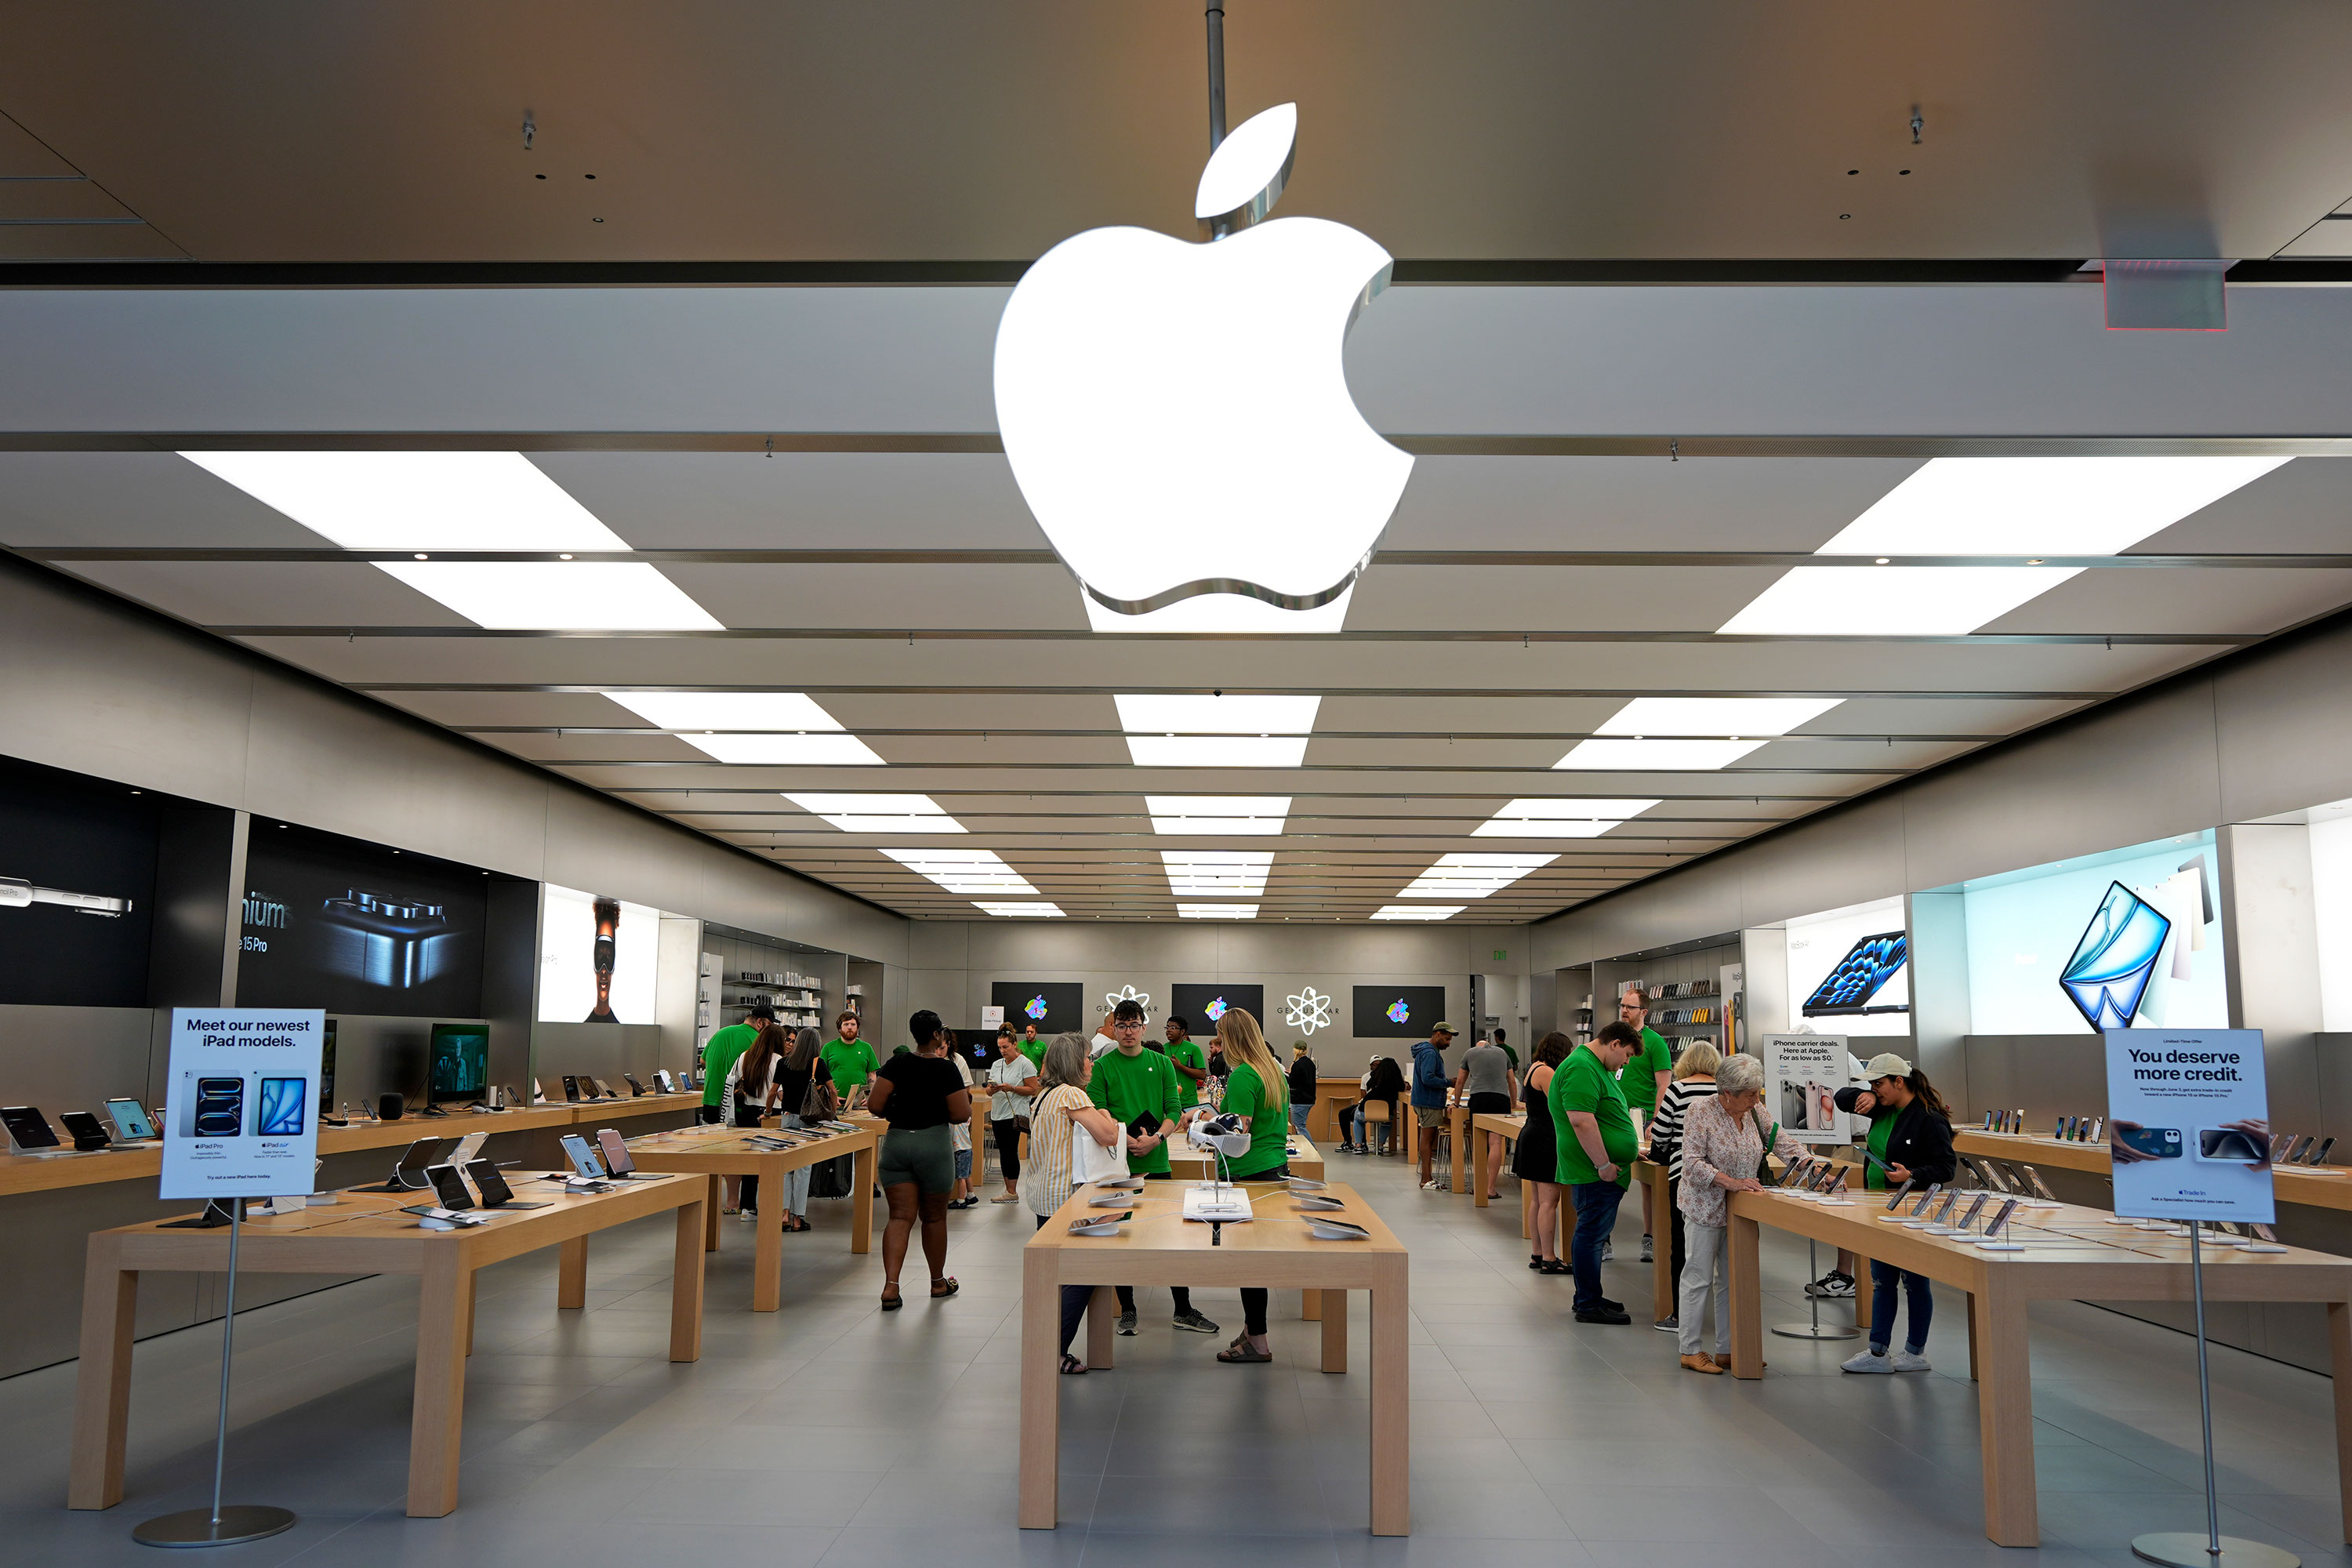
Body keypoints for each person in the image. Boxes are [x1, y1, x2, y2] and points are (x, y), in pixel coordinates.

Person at [1091, 998, 1218, 1336]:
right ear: (1113, 1029)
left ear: (1143, 1028)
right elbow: (1098, 1110)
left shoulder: (1162, 1063)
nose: (1128, 1032)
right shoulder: (1104, 1067)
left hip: (1157, 1160)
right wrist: (1122, 1137)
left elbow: (1174, 1110)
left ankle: (1183, 1309)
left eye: (1134, 1026)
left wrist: (1156, 1139)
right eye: (1122, 1026)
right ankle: (1128, 1310)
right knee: (1121, 1234)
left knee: (1170, 1235)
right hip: (1117, 1164)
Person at [1836, 1053, 1955, 1374]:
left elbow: (1946, 1166)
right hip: (1878, 1207)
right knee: (1882, 1281)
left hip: (1912, 1209)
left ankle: (1915, 1352)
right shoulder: (1883, 1106)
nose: (1876, 1090)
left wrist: (1911, 1174)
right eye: (1872, 1085)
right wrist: (1866, 1094)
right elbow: (1841, 1097)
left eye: (1879, 1084)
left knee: (1915, 1281)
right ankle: (1877, 1351)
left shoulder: (1929, 1118)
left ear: (1899, 1082)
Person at [1021, 1032, 1127, 1374]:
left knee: (1059, 1276)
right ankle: (1054, 1349)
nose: (1091, 1062)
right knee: (1082, 1274)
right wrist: (1108, 1114)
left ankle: (1050, 1345)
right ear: (1073, 1062)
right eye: (1087, 1057)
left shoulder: (1044, 1095)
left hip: (1044, 1195)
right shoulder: (1071, 1094)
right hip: (1067, 1199)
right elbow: (1109, 1135)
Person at [865, 1010, 971, 1309]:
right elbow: (962, 1114)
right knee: (934, 1217)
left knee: (899, 1217)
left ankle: (890, 1287)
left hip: (897, 1143)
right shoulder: (946, 1069)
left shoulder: (897, 1063)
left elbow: (875, 1104)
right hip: (933, 1146)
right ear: (937, 1035)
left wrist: (898, 1111)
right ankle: (938, 1282)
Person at [1207, 1008, 1295, 1363]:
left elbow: (1238, 1131)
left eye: (1221, 1036)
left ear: (1232, 1038)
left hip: (1246, 1174)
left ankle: (1257, 1340)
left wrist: (1205, 1127)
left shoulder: (1244, 1074)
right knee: (1258, 1256)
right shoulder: (1274, 1070)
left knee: (1249, 1261)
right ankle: (1252, 1329)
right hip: (1274, 1169)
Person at [1675, 1051, 1768, 1373]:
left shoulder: (1756, 1109)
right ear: (1726, 1093)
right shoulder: (1700, 1112)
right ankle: (1690, 1349)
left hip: (1741, 1210)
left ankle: (1728, 1348)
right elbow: (1692, 1164)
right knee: (1698, 1277)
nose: (1756, 1100)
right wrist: (1731, 1182)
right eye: (1750, 1095)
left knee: (1732, 1279)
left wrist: (1815, 1169)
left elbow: (1780, 1140)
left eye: (1758, 1093)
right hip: (1704, 1206)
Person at [1553, 1021, 1641, 1323]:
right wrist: (1604, 1164)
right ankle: (1589, 1304)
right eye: (1627, 1055)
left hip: (1598, 1168)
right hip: (1594, 1171)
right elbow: (1582, 1121)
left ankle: (1589, 1295)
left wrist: (1628, 1146)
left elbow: (1603, 1116)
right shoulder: (1582, 1067)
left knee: (1593, 1234)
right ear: (1614, 1044)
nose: (1626, 1062)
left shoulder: (1595, 1066)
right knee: (1591, 1236)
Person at [1646, 1041, 1722, 1331]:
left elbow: (1661, 1134)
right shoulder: (1723, 1089)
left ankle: (1681, 1315)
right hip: (1721, 1175)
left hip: (1685, 1174)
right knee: (1723, 1245)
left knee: (1682, 1243)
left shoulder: (1677, 1089)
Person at [1614, 989, 1673, 1264]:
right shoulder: (1614, 1040)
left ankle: (1649, 1237)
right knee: (1609, 1174)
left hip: (1645, 1119)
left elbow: (1664, 1085)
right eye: (1622, 1005)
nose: (1624, 1010)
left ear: (1643, 1012)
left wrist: (1658, 1121)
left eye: (1630, 1007)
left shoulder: (1655, 1043)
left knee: (1649, 1182)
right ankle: (1604, 1238)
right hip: (1615, 1117)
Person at [700, 1002, 772, 1213]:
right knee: (738, 1152)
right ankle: (733, 1201)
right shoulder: (756, 1040)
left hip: (711, 1100)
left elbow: (703, 1061)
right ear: (760, 1023)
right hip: (735, 1104)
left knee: (715, 1152)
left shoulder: (720, 1033)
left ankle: (714, 1201)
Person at [721, 1018, 789, 1220]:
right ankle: (771, 1205)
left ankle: (747, 1207)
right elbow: (781, 1094)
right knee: (772, 1163)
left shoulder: (744, 1056)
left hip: (746, 1113)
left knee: (751, 1162)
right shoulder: (778, 1060)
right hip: (770, 1114)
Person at [1515, 1035, 1570, 1273]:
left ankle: (1538, 1253)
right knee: (1549, 1201)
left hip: (1532, 1134)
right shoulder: (1547, 1072)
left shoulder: (1533, 1068)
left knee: (1537, 1200)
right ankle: (1549, 1257)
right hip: (1545, 1138)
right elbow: (1560, 1105)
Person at [770, 1027, 823, 1232]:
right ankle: (798, 1218)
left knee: (786, 1169)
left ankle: (783, 1214)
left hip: (787, 1118)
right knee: (803, 1168)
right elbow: (832, 1090)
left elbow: (773, 1091)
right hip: (808, 1120)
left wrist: (767, 1112)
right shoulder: (817, 1064)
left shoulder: (784, 1063)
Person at [1455, 1032, 1517, 1200]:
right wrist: (1513, 1103)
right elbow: (1511, 1080)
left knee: (1479, 1142)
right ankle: (1491, 1188)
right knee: (1495, 1142)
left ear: (1478, 1045)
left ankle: (1478, 1186)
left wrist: (1456, 1103)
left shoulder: (1470, 1053)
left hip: (1479, 1099)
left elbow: (1460, 1081)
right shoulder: (1503, 1053)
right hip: (1500, 1099)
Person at [985, 1028, 1038, 1203]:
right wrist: (991, 1089)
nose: (1003, 1050)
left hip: (1014, 1114)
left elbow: (1033, 1089)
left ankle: (1012, 1191)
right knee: (1003, 1152)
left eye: (1006, 1047)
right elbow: (988, 1090)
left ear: (1015, 1044)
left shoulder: (1025, 1064)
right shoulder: (996, 1065)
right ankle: (1008, 1189)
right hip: (998, 1113)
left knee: (1010, 1151)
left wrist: (1012, 1088)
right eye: (1000, 1047)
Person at [1412, 1022, 1455, 1190]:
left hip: (1426, 1100)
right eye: (1447, 1039)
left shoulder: (1428, 1051)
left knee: (1428, 1139)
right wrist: (1448, 1082)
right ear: (1437, 1034)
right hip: (1428, 1101)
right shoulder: (1430, 1053)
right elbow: (1428, 1078)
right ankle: (1426, 1179)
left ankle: (1427, 1177)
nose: (1448, 1043)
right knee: (1427, 1139)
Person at [1343, 1054, 1405, 1155]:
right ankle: (1380, 1146)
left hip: (1366, 1111)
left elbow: (1367, 1089)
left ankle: (1358, 1146)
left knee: (1358, 1118)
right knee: (1387, 1122)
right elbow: (1405, 1087)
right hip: (1386, 1113)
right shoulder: (1397, 1084)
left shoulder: (1374, 1078)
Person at [821, 1010, 880, 1103]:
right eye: (846, 1024)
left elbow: (872, 1074)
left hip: (859, 1101)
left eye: (853, 1024)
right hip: (834, 1101)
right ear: (839, 1028)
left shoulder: (866, 1047)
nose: (849, 1027)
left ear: (857, 1028)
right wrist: (829, 1095)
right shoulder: (828, 1047)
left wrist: (871, 1094)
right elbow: (820, 1075)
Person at [946, 1044, 979, 1209]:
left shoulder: (957, 1118)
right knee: (966, 1174)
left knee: (960, 1176)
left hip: (959, 1149)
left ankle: (960, 1201)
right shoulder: (967, 1118)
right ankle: (971, 1195)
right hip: (967, 1148)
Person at [1163, 1016, 1210, 1120]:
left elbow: (1202, 1075)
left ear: (1182, 1031)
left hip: (1189, 1104)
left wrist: (1180, 1066)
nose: (1169, 1030)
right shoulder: (1163, 1049)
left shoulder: (1193, 1049)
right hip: (1169, 1103)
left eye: (1173, 1027)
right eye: (1167, 1027)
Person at [1287, 1042, 1319, 1136]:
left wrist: (1285, 1076)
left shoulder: (1297, 1064)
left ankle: (1311, 1148)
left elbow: (1292, 1082)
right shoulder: (1310, 1063)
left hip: (1299, 1100)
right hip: (1309, 1099)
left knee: (1299, 1126)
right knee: (1301, 1125)